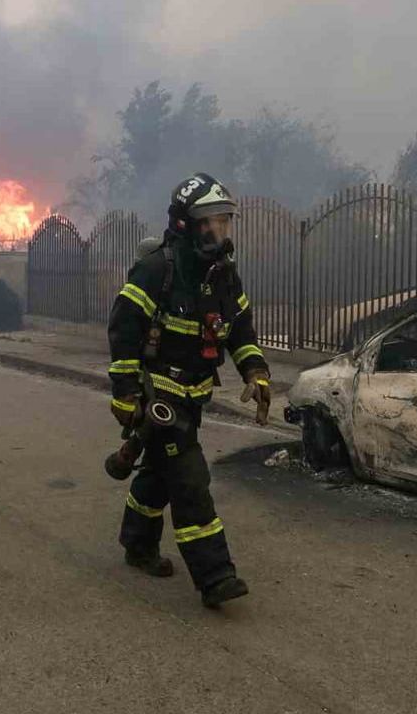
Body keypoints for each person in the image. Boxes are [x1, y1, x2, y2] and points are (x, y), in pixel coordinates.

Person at [106, 172, 271, 608]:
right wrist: (125, 392)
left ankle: (137, 544)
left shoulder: (223, 275)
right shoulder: (157, 270)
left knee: (158, 475)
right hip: (159, 398)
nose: (221, 229)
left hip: (195, 397)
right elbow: (124, 329)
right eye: (212, 221)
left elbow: (241, 330)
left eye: (225, 220)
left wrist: (256, 372)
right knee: (189, 480)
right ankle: (215, 576)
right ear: (186, 223)